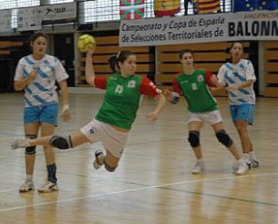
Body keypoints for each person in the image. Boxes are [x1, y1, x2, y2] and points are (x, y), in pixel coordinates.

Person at [12, 48, 166, 175]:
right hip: (100, 124)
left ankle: (100, 158)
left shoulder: (141, 82)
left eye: (135, 63)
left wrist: (156, 112)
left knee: (111, 167)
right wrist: (89, 56)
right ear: (120, 64)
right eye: (130, 62)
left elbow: (160, 96)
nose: (134, 65)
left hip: (120, 133)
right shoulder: (111, 80)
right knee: (64, 142)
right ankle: (28, 142)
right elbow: (90, 78)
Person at [164, 48, 249, 175]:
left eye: (190, 57)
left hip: (210, 108)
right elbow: (175, 99)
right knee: (193, 137)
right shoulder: (178, 79)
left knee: (222, 136)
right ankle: (200, 163)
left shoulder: (203, 73)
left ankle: (241, 161)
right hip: (195, 111)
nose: (188, 60)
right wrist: (169, 97)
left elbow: (218, 85)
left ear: (193, 60)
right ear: (181, 61)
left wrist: (219, 83)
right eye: (185, 58)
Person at [13, 32, 71, 193]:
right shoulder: (23, 63)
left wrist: (66, 105)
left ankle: (52, 181)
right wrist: (29, 79)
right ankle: (29, 180)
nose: (41, 46)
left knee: (47, 142)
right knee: (29, 144)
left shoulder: (53, 62)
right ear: (32, 44)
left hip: (49, 105)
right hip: (30, 107)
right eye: (38, 43)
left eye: (44, 44)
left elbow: (63, 84)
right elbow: (17, 86)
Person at [211, 42, 259, 168]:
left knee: (242, 127)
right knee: (241, 130)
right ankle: (253, 156)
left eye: (239, 49)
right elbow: (220, 84)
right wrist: (210, 89)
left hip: (247, 100)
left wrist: (237, 86)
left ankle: (245, 159)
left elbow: (249, 81)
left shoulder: (247, 64)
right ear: (231, 51)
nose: (237, 50)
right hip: (234, 102)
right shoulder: (225, 68)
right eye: (235, 48)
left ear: (242, 52)